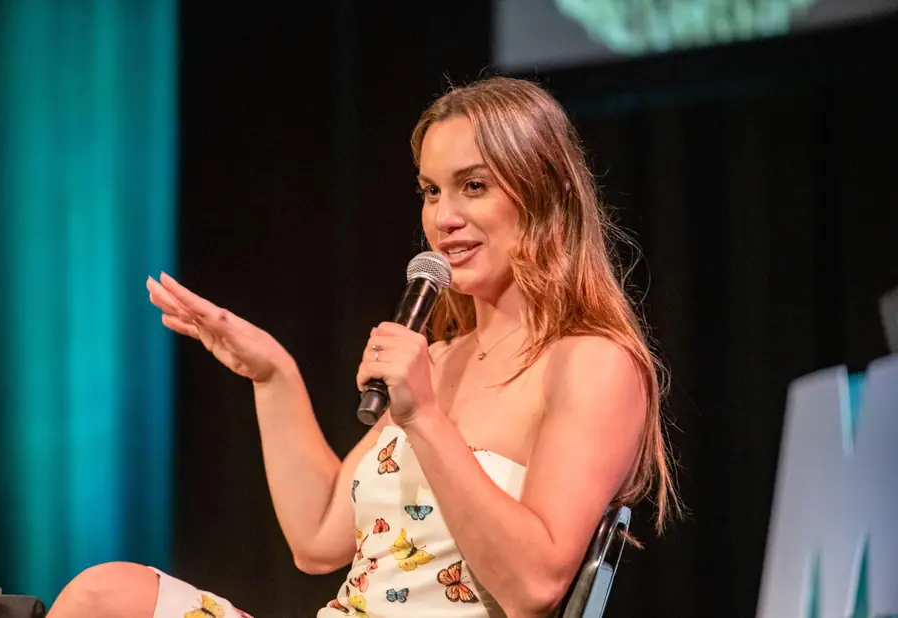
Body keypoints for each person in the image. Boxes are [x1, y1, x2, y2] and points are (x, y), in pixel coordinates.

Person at [46, 75, 679, 618]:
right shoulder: (434, 358)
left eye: (474, 186)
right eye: (431, 191)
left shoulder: (591, 363)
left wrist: (425, 418)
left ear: (546, 193)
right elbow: (319, 538)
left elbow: (535, 589)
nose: (444, 217)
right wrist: (274, 377)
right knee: (107, 593)